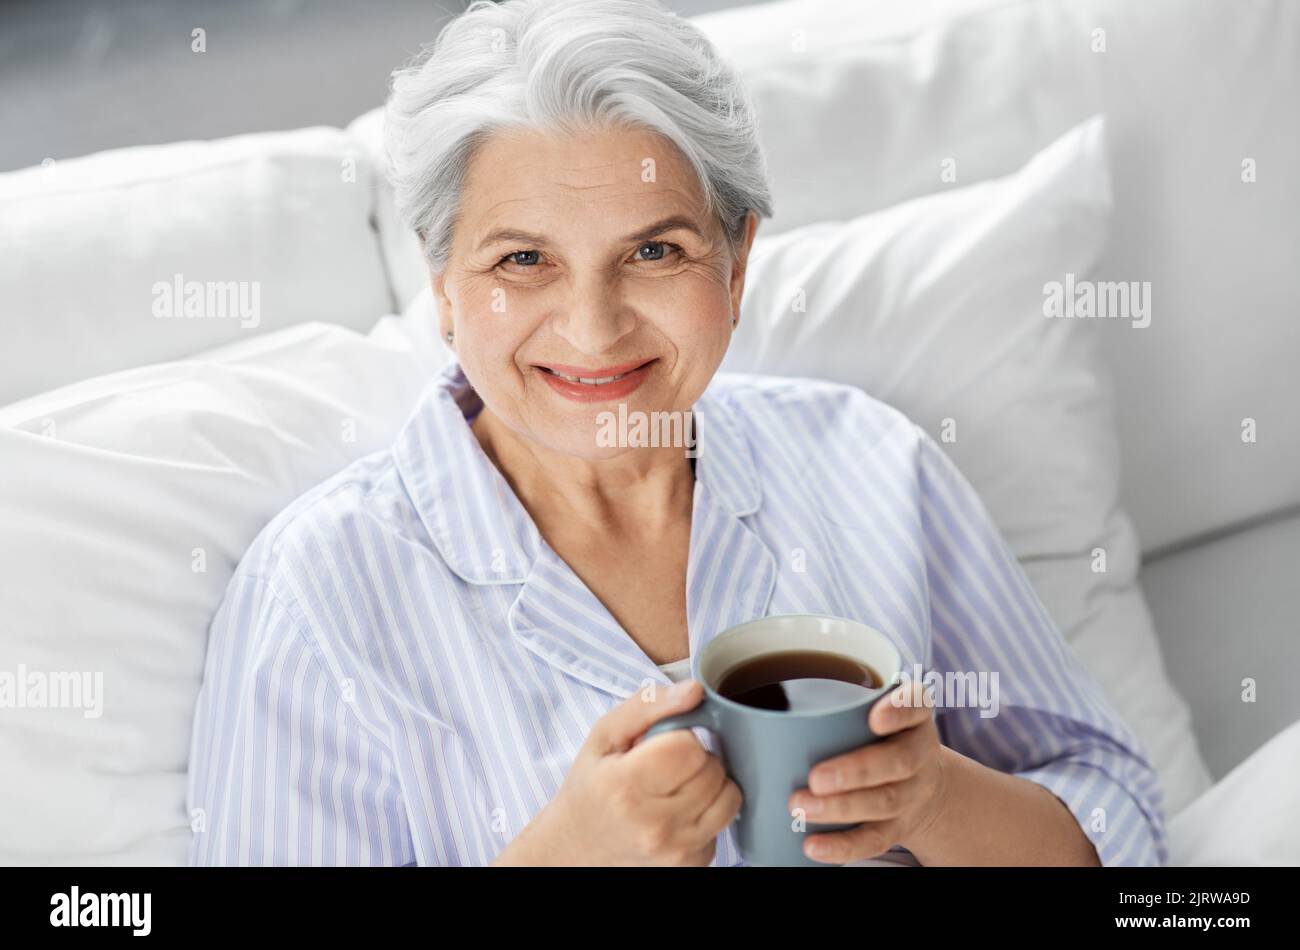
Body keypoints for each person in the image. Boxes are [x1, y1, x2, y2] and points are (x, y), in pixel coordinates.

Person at [186, 0, 1167, 867]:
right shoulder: (320, 590)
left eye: (654, 249)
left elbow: (1113, 814)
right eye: (522, 258)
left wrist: (938, 797)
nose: (593, 326)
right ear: (442, 286)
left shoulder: (874, 465)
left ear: (735, 267)